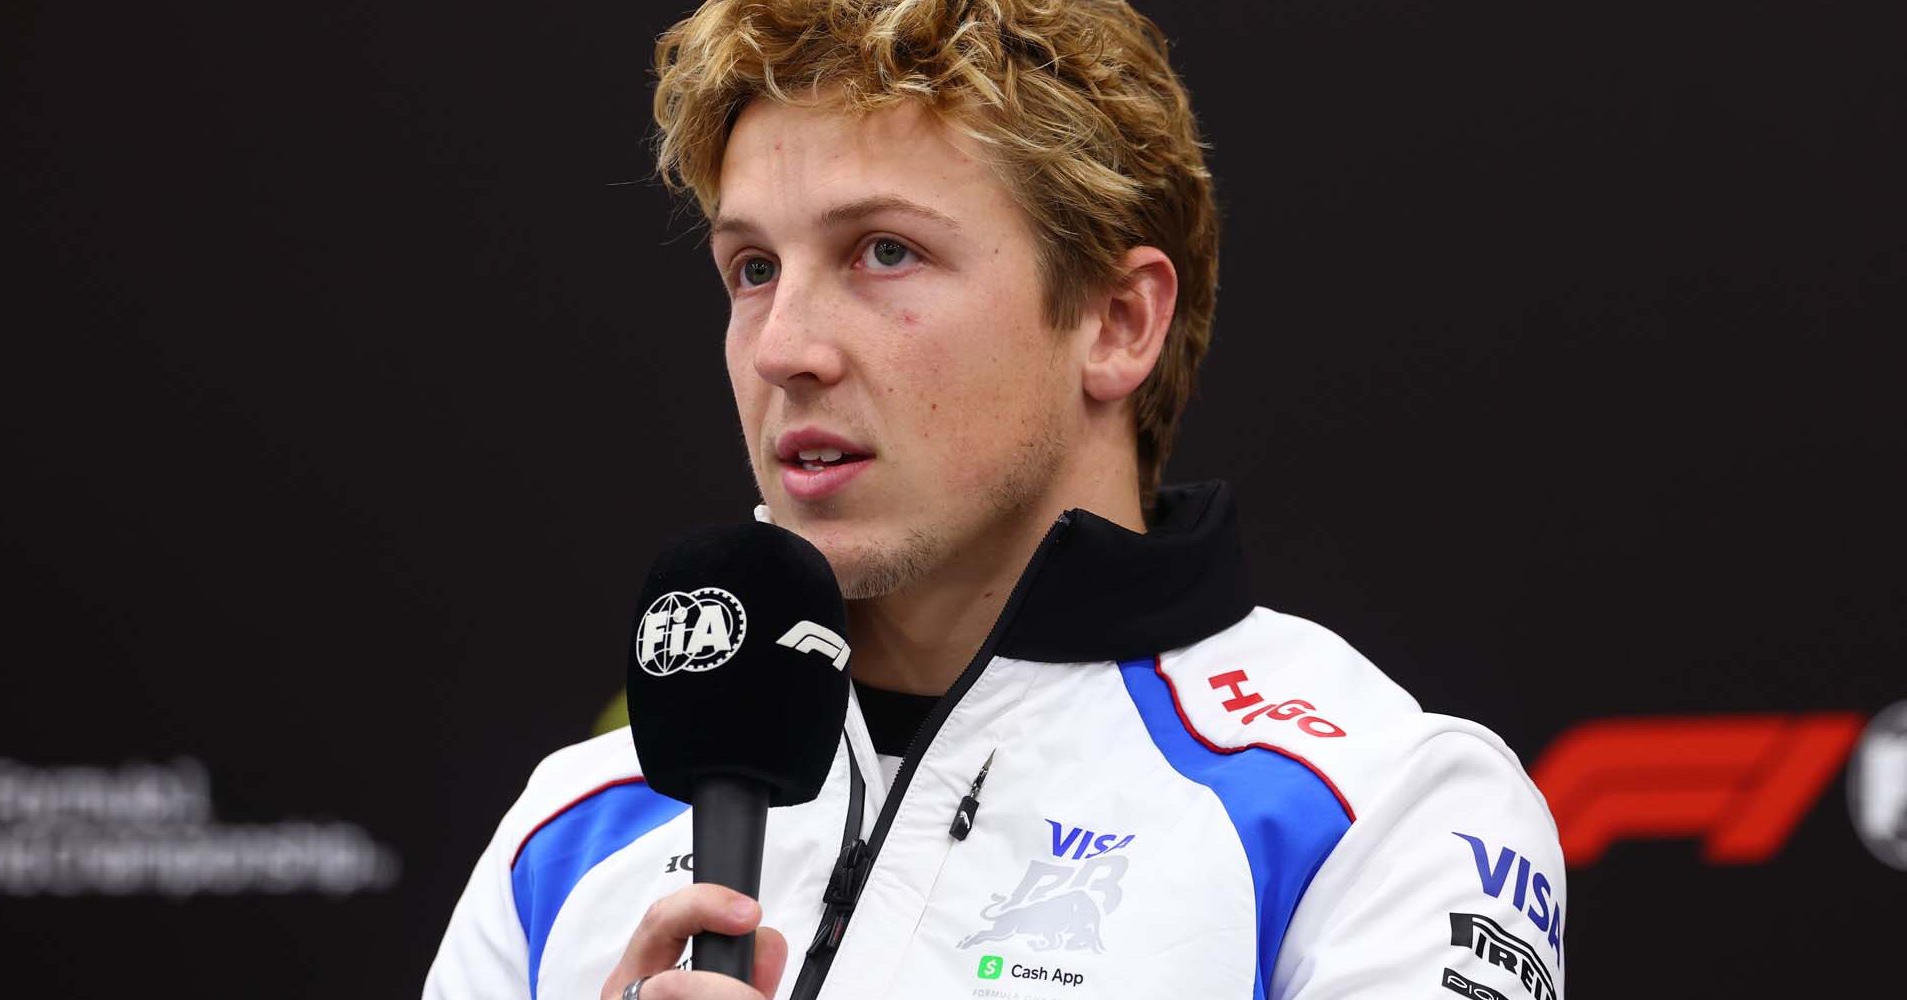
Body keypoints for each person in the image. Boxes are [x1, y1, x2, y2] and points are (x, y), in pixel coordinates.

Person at [426, 2, 1568, 998]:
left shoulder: (1377, 806)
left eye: (883, 252)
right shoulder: (571, 828)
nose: (783, 348)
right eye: (754, 268)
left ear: (1117, 322)